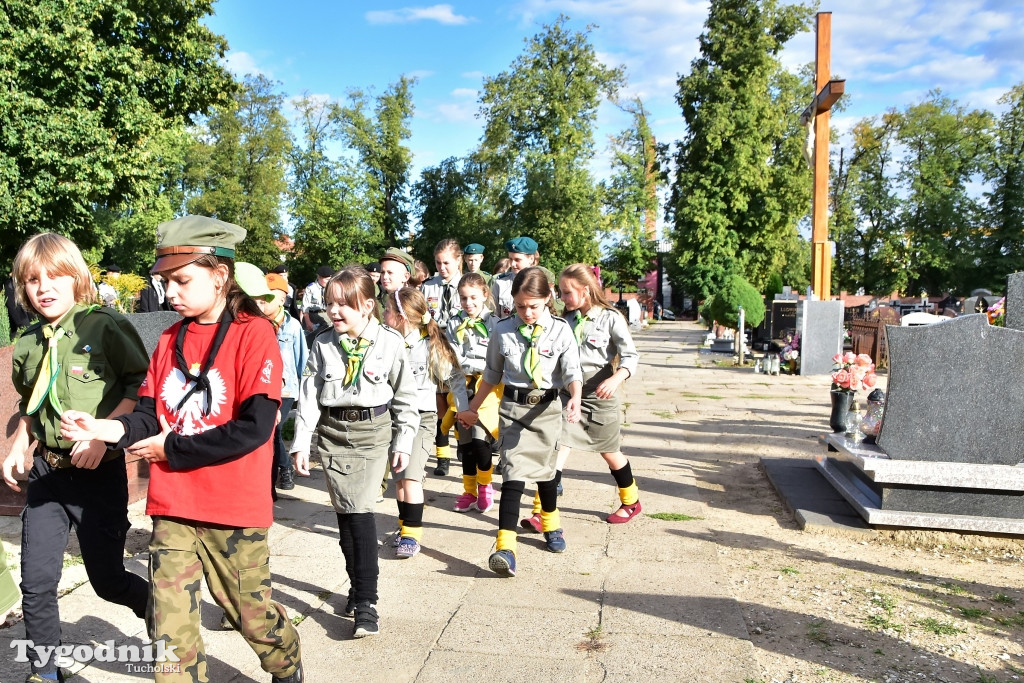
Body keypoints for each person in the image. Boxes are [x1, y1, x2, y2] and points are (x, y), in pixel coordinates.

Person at [60, 216, 303, 683]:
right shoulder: (170, 338)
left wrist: (171, 449)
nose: (170, 292)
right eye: (165, 281)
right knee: (170, 629)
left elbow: (254, 428)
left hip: (234, 508)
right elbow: (149, 415)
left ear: (220, 275)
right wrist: (108, 430)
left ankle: (286, 663)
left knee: (249, 614)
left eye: (181, 280)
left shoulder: (255, 334)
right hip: (173, 506)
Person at [2, 233, 150, 683]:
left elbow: (139, 390)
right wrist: (17, 445)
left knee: (107, 582)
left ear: (77, 277)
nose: (43, 287)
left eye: (54, 276)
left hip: (98, 475)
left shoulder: (104, 325)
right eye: (32, 280)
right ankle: (45, 672)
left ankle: (164, 618)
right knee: (36, 583)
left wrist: (103, 438)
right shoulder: (27, 342)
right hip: (48, 474)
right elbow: (32, 402)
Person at [291, 266, 418, 637]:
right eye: (329, 304)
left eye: (342, 305)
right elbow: (310, 395)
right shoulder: (323, 343)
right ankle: (356, 586)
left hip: (372, 434)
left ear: (366, 306)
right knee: (346, 520)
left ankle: (367, 602)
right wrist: (301, 441)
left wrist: (404, 442)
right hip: (333, 435)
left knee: (360, 515)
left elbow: (407, 398)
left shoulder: (391, 342)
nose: (333, 312)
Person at [459, 267, 582, 577]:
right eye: (520, 305)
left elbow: (571, 372)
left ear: (548, 299)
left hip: (547, 409)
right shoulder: (502, 329)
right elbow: (491, 375)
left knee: (547, 474)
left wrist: (576, 398)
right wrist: (472, 407)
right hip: (513, 409)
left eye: (534, 306)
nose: (527, 312)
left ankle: (551, 523)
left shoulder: (561, 330)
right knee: (512, 476)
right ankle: (505, 547)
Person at [540, 263, 642, 526]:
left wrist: (616, 378)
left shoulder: (610, 318)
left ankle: (631, 501)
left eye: (566, 292)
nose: (562, 298)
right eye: (560, 292)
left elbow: (631, 356)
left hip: (600, 395)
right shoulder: (566, 320)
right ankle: (544, 513)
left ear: (585, 291)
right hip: (568, 395)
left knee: (610, 451)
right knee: (556, 447)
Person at [382, 287, 468, 558]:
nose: (383, 314)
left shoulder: (429, 344)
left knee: (411, 479)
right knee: (399, 480)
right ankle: (403, 526)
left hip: (421, 418)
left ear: (402, 316)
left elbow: (455, 378)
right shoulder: (386, 341)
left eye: (387, 310)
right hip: (393, 417)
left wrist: (464, 409)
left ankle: (412, 535)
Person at [445, 273, 503, 513]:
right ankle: (468, 490)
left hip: (488, 386)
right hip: (461, 386)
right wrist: (461, 406)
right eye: (463, 298)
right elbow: (453, 365)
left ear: (485, 296)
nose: (468, 303)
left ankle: (485, 486)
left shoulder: (496, 324)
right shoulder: (453, 323)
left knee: (481, 440)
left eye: (473, 297)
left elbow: (497, 363)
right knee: (466, 442)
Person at [264, 271, 307, 493]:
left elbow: (302, 360)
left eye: (269, 296)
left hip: (286, 388)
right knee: (270, 431)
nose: (263, 301)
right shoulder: (257, 325)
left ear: (282, 299)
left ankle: (284, 468)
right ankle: (281, 469)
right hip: (263, 385)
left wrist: (305, 392)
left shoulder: (293, 327)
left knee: (275, 427)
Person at [420, 239, 463, 326]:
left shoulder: (468, 285)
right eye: (438, 263)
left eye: (446, 263)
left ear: (458, 260)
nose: (441, 267)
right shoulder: (427, 286)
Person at [302, 265, 334, 331]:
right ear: (319, 277)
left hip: (327, 315)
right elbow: (305, 306)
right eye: (327, 280)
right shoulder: (311, 288)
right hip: (313, 316)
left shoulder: (331, 288)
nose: (329, 282)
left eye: (330, 279)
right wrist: (308, 322)